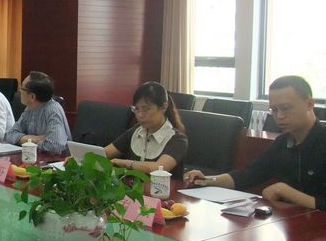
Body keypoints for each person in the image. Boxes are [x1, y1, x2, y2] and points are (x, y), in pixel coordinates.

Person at [185, 75, 326, 210]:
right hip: (294, 220)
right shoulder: (283, 142)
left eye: (286, 108)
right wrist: (207, 180)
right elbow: (249, 174)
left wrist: (284, 191)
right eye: (274, 110)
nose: (279, 116)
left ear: (310, 104)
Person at [105, 81, 187, 179]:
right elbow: (106, 152)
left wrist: (124, 163)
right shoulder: (136, 130)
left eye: (146, 109)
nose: (140, 115)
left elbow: (159, 168)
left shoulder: (177, 139)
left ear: (163, 107)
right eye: (136, 109)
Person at [4, 71, 71, 155]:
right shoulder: (30, 108)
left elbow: (54, 146)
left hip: (55, 160)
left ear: (32, 97)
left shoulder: (53, 110)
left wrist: (25, 141)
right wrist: (33, 139)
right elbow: (10, 135)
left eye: (22, 88)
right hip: (34, 156)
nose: (19, 91)